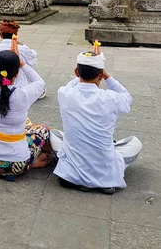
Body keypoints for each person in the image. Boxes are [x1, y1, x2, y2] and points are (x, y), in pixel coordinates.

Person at [51, 44, 142, 194]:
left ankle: (77, 176)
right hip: (105, 172)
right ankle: (106, 180)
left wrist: (88, 68)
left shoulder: (65, 94)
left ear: (76, 72)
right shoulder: (111, 97)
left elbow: (72, 84)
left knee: (54, 134)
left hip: (70, 174)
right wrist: (105, 74)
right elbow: (127, 97)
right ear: (100, 75)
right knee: (135, 143)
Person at [0, 42, 51, 180]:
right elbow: (40, 83)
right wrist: (21, 63)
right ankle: (27, 166)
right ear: (17, 73)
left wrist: (1, 64)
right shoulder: (22, 95)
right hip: (17, 162)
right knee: (43, 129)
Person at [0, 20, 46, 99]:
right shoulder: (23, 49)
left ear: (0, 34)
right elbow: (33, 57)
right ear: (15, 35)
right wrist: (19, 44)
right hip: (19, 85)